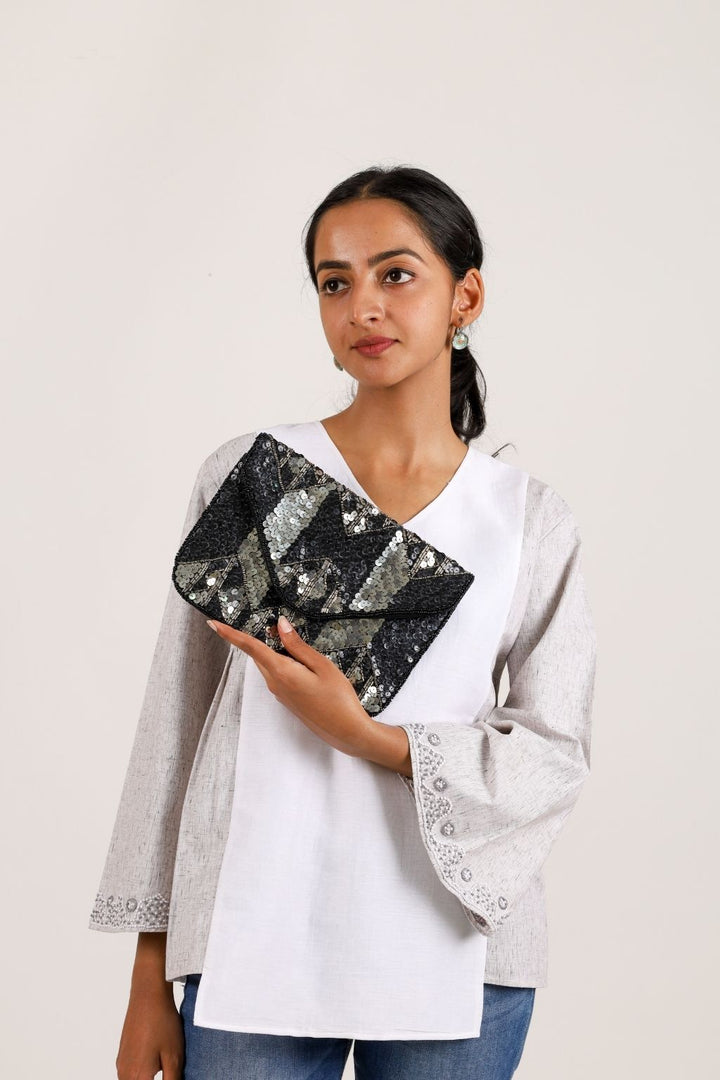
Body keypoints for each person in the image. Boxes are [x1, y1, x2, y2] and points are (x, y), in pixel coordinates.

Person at [89, 165, 597, 1080]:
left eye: (396, 274)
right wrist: (148, 978)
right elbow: (175, 727)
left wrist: (369, 738)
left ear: (465, 296)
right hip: (250, 940)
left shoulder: (526, 519)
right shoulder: (254, 475)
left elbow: (553, 752)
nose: (363, 306)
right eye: (335, 282)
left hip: (461, 960)